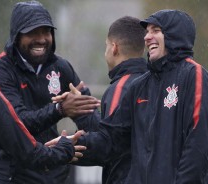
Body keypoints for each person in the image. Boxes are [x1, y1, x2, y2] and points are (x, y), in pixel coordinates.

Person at [49, 9, 208, 183]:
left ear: (175, 35)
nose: (147, 37)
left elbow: (198, 144)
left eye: (156, 31)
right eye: (147, 32)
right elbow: (111, 139)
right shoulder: (139, 86)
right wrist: (70, 147)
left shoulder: (193, 75)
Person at [0, 1, 100, 184]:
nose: (41, 39)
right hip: (12, 176)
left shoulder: (60, 67)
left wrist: (82, 136)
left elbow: (88, 115)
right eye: (32, 33)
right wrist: (59, 110)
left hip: (54, 174)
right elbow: (16, 124)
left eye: (46, 31)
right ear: (16, 36)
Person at [55, 16, 148, 184]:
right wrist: (83, 110)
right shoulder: (152, 83)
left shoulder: (122, 87)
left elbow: (107, 146)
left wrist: (65, 147)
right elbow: (116, 136)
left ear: (114, 48)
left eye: (106, 45)